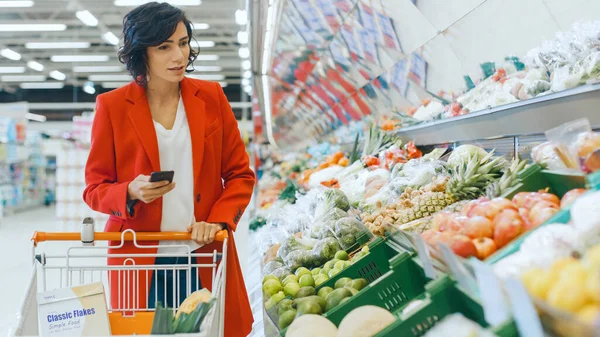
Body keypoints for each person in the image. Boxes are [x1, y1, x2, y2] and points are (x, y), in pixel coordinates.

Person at [82, 2, 255, 337]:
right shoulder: (113, 107)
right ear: (140, 53)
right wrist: (130, 191)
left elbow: (240, 174)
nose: (178, 55)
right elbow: (94, 188)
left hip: (201, 255)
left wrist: (217, 220)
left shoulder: (212, 97)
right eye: (164, 47)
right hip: (138, 259)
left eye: (183, 42)